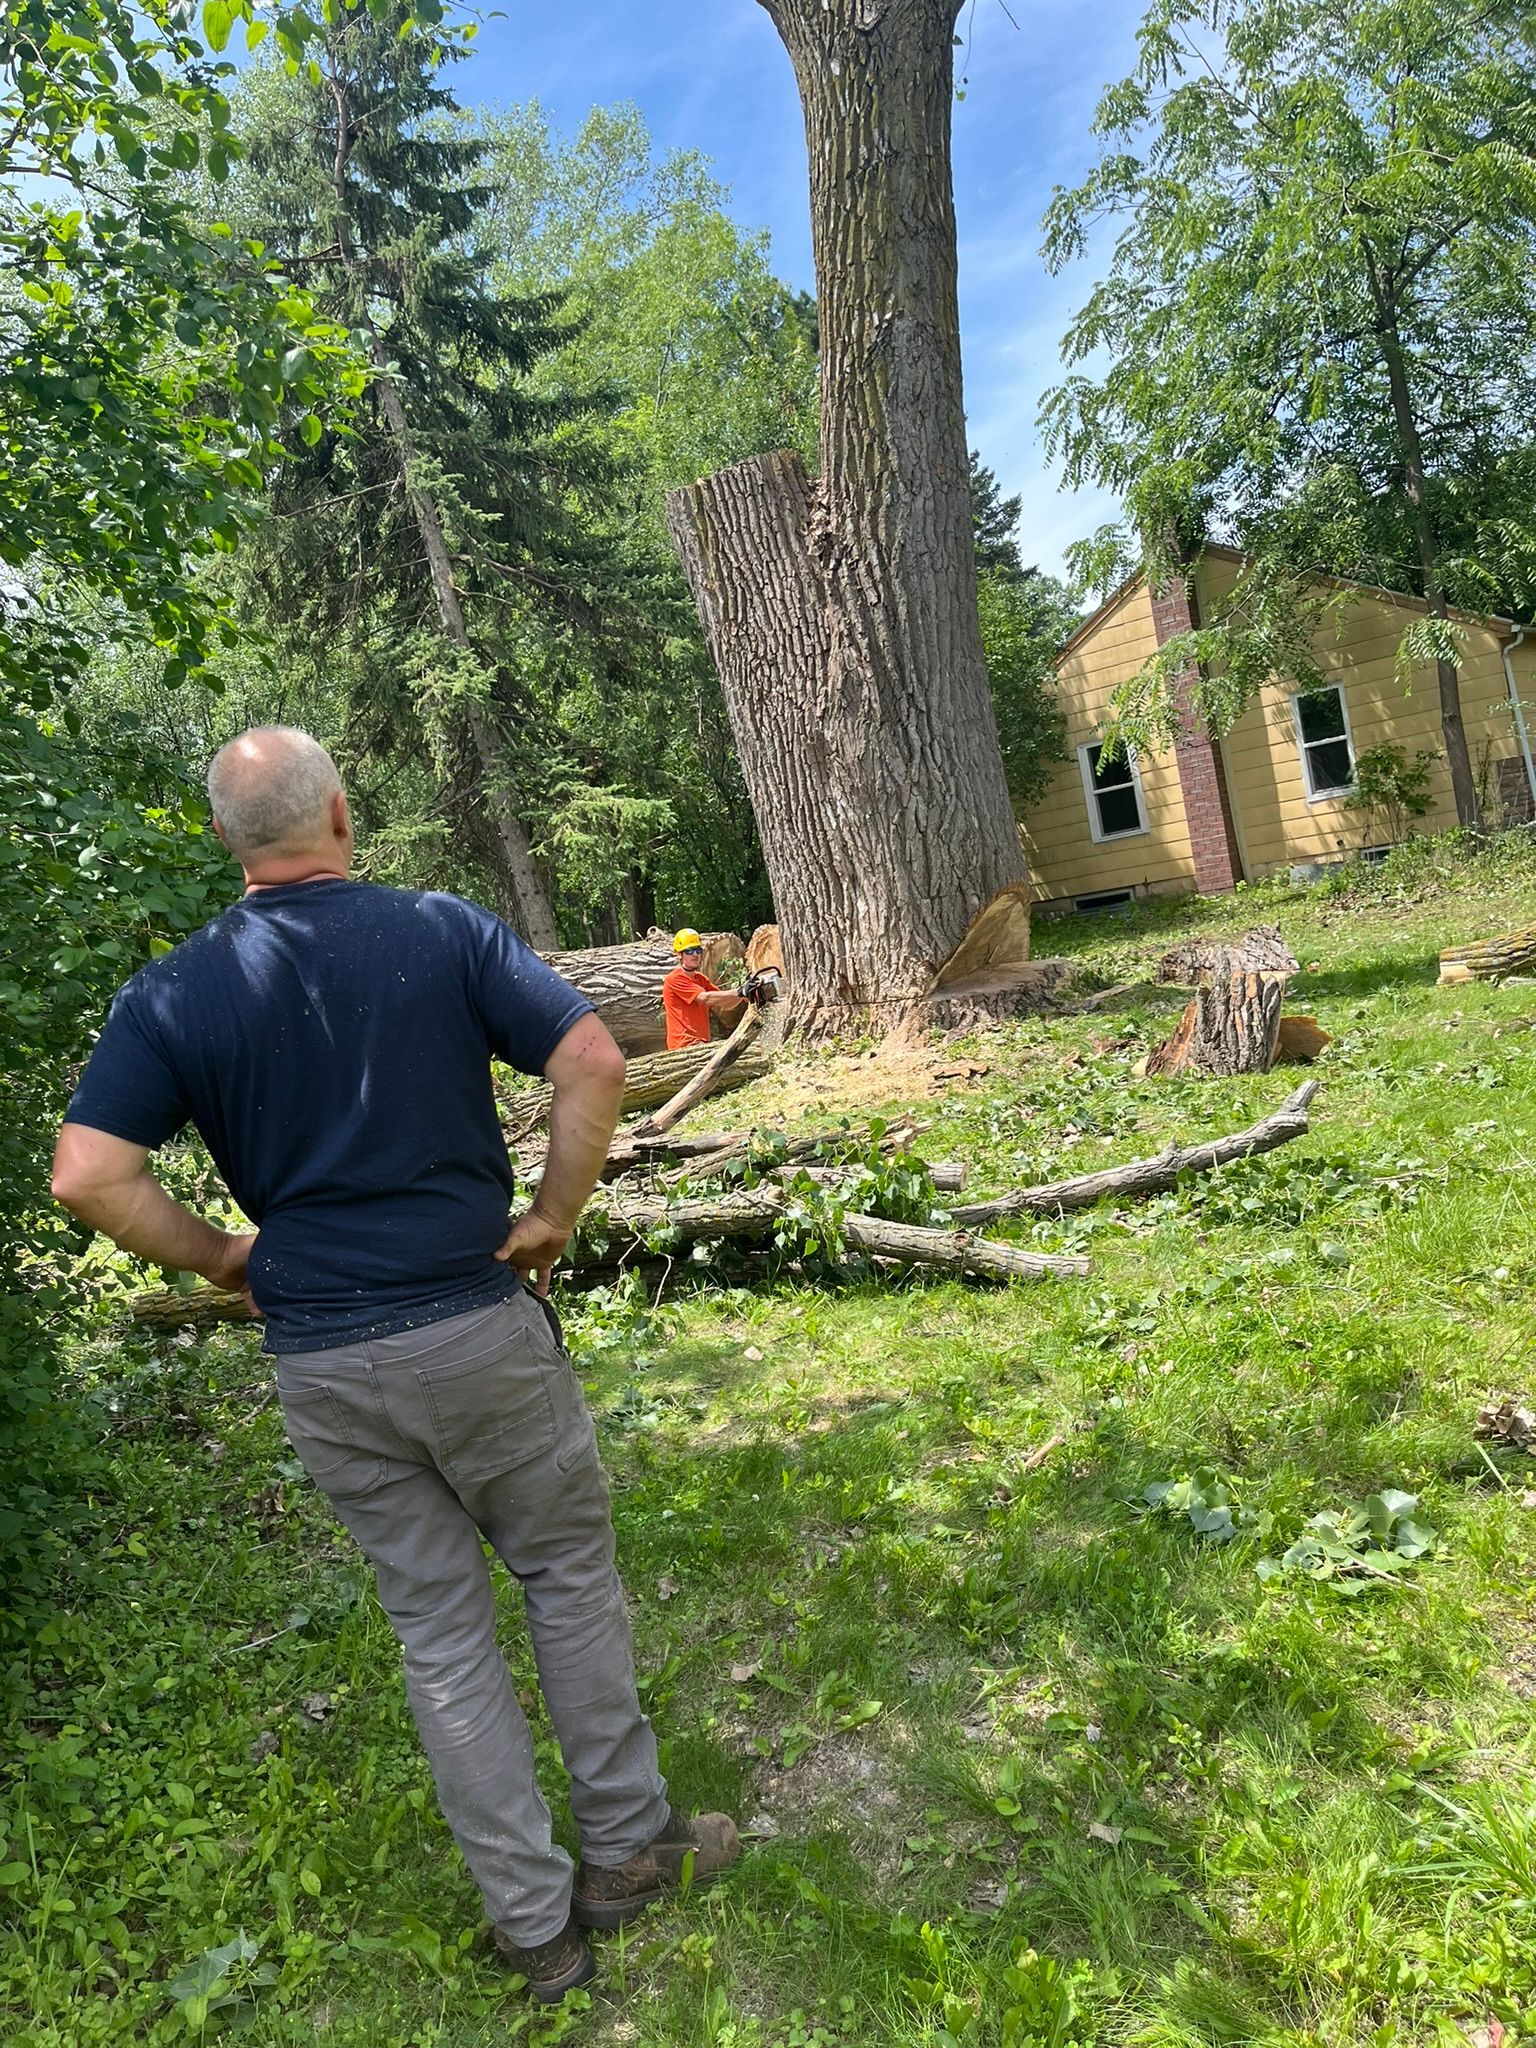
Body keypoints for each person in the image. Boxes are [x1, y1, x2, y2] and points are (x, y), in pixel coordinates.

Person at [50, 727, 738, 2003]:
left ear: (227, 842)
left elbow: (88, 1170)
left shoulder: (177, 989)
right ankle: (632, 1853)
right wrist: (553, 1214)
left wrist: (218, 1256)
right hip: (476, 1323)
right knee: (566, 1577)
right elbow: (592, 1057)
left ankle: (535, 1929)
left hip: (324, 1357)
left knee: (440, 1635)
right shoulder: (443, 927)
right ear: (344, 816)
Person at [661, 928, 744, 1050]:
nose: (695, 954)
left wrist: (744, 994)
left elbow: (726, 1004)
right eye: (689, 951)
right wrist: (739, 991)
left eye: (698, 950)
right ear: (679, 954)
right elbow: (705, 998)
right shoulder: (675, 978)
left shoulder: (700, 979)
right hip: (684, 1045)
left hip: (701, 1043)